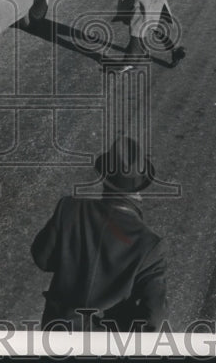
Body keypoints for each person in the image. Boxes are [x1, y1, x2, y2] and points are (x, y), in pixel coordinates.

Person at [31, 136, 168, 332]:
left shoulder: (69, 208)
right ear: (139, 191)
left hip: (58, 330)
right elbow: (155, 317)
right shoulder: (150, 245)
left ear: (105, 179)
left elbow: (42, 260)